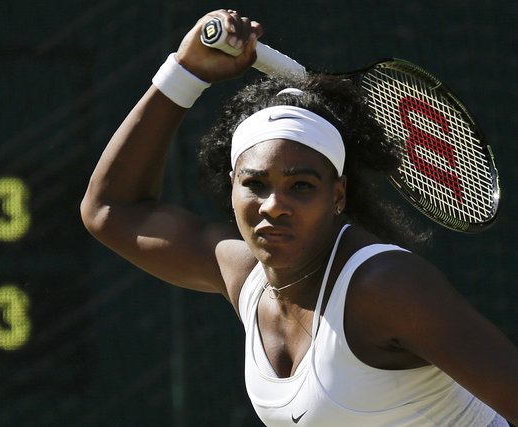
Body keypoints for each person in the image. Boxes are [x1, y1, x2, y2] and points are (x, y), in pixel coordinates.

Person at [80, 9, 518, 426]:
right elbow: (109, 212)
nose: (273, 205)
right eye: (254, 184)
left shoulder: (385, 285)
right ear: (231, 186)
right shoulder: (248, 278)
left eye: (301, 186)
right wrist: (185, 72)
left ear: (338, 195)